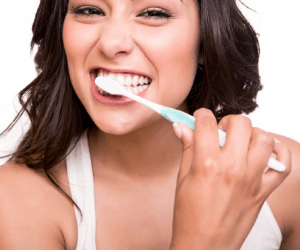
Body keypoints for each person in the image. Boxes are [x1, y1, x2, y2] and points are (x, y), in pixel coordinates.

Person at [0, 0, 299, 249]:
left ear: (207, 42)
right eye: (90, 10)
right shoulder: (16, 201)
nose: (111, 43)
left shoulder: (286, 177)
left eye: (154, 13)